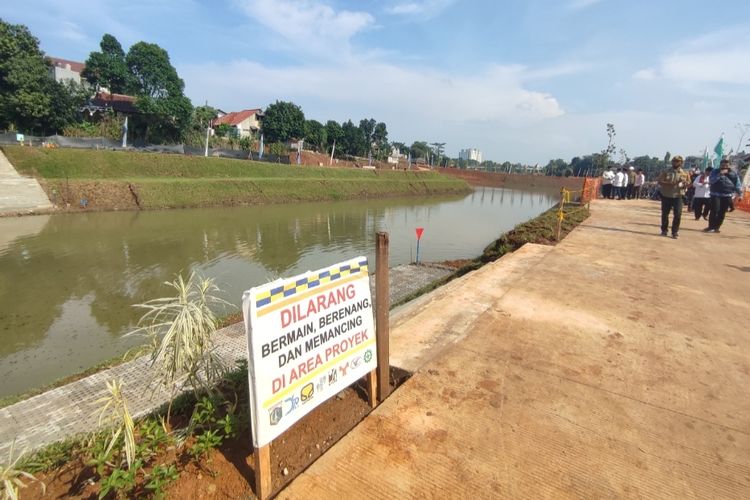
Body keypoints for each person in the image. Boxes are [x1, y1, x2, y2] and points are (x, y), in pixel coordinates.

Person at [704, 159, 743, 233]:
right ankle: (711, 227)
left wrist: (740, 194)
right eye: (723, 165)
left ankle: (717, 227)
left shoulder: (733, 174)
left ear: (729, 166)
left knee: (722, 212)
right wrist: (719, 174)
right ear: (720, 165)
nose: (725, 167)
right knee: (714, 210)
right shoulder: (715, 171)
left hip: (727, 195)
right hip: (715, 194)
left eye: (726, 165)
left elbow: (737, 185)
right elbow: (711, 181)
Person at [657, 155, 690, 238]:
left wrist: (686, 184)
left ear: (681, 163)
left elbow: (689, 183)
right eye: (674, 161)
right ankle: (664, 230)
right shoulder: (666, 171)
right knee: (665, 214)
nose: (675, 163)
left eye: (677, 161)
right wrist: (669, 184)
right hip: (666, 195)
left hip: (678, 196)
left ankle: (675, 231)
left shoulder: (685, 173)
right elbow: (659, 181)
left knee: (678, 214)